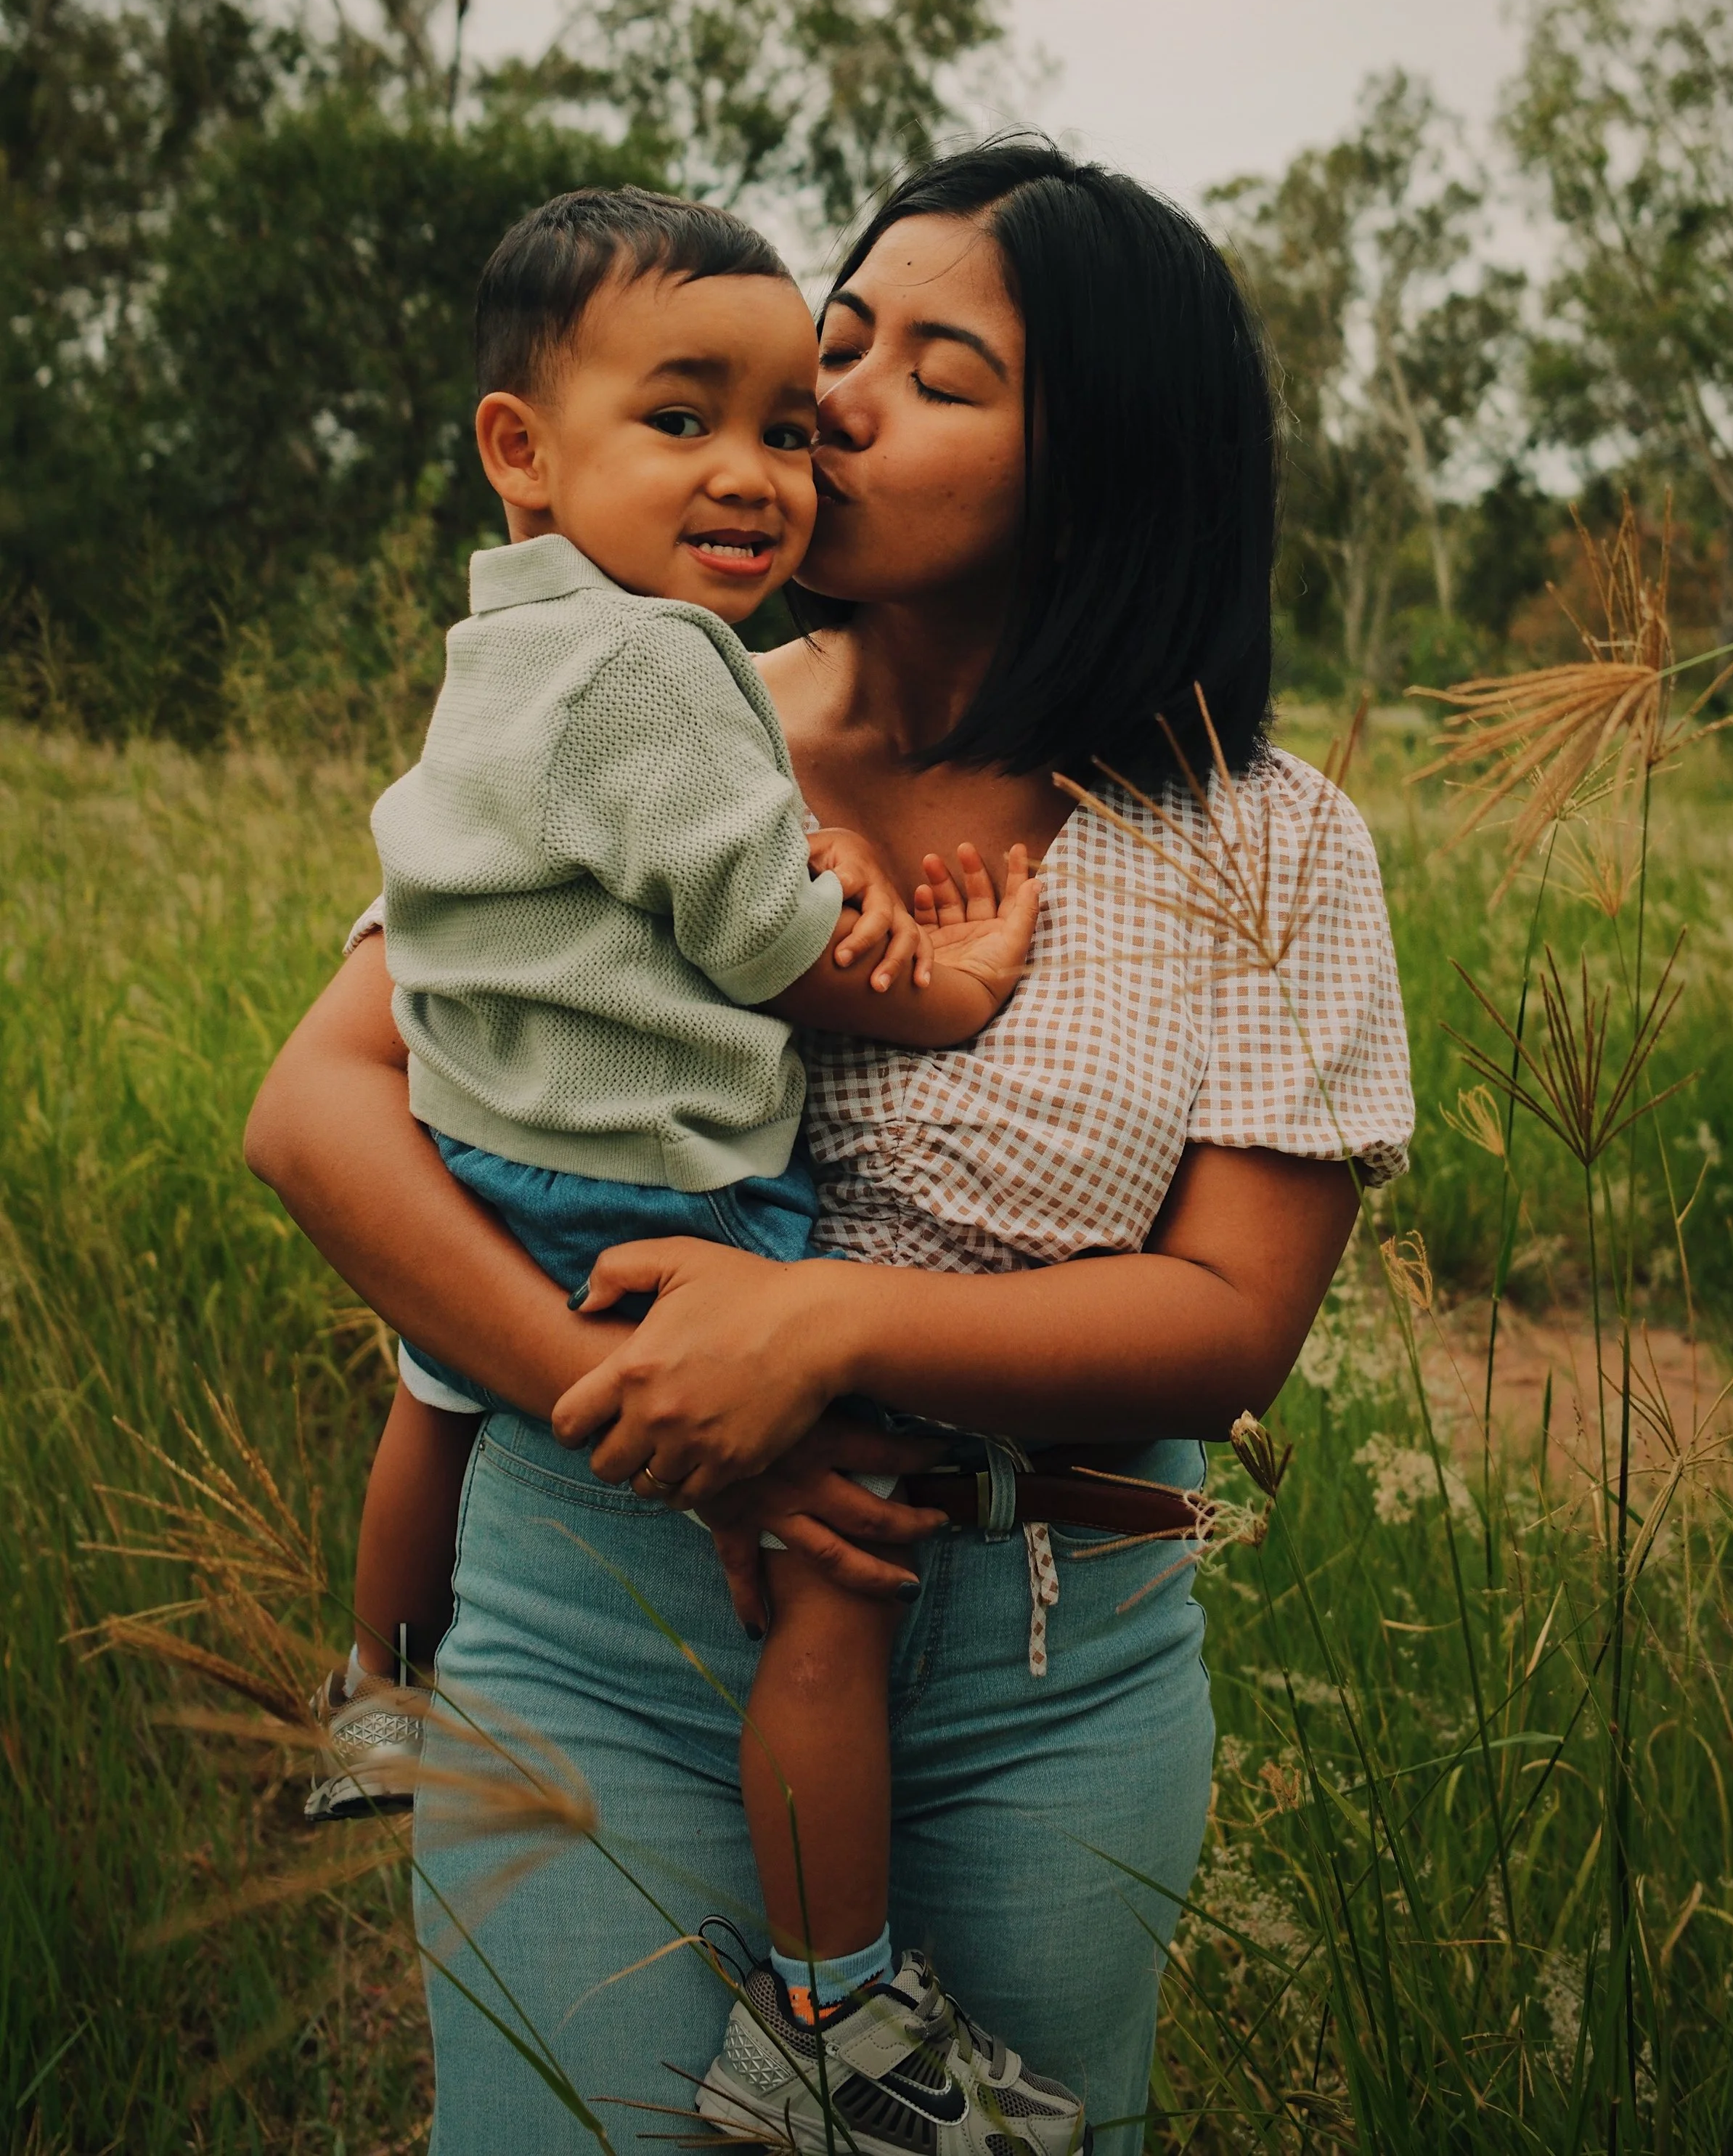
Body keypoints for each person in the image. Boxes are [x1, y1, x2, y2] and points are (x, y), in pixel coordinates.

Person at [245, 138, 1415, 2155]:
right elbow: (323, 1110)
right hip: (590, 1637)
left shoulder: (1263, 840)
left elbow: (1233, 1315)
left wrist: (816, 1330)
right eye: (838, 339)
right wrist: (653, 1396)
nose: (834, 396)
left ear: (1105, 459)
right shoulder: (647, 710)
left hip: (1035, 1690)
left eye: (931, 373)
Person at [320, 182, 1085, 2146]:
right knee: (830, 1569)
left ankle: (368, 1694)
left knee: (438, 1398)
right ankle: (834, 2015)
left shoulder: (507, 644)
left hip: (493, 1167)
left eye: (782, 419)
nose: (767, 463)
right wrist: (956, 974)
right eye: (689, 419)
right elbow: (779, 950)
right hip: (656, 1198)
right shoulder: (670, 669)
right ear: (522, 448)